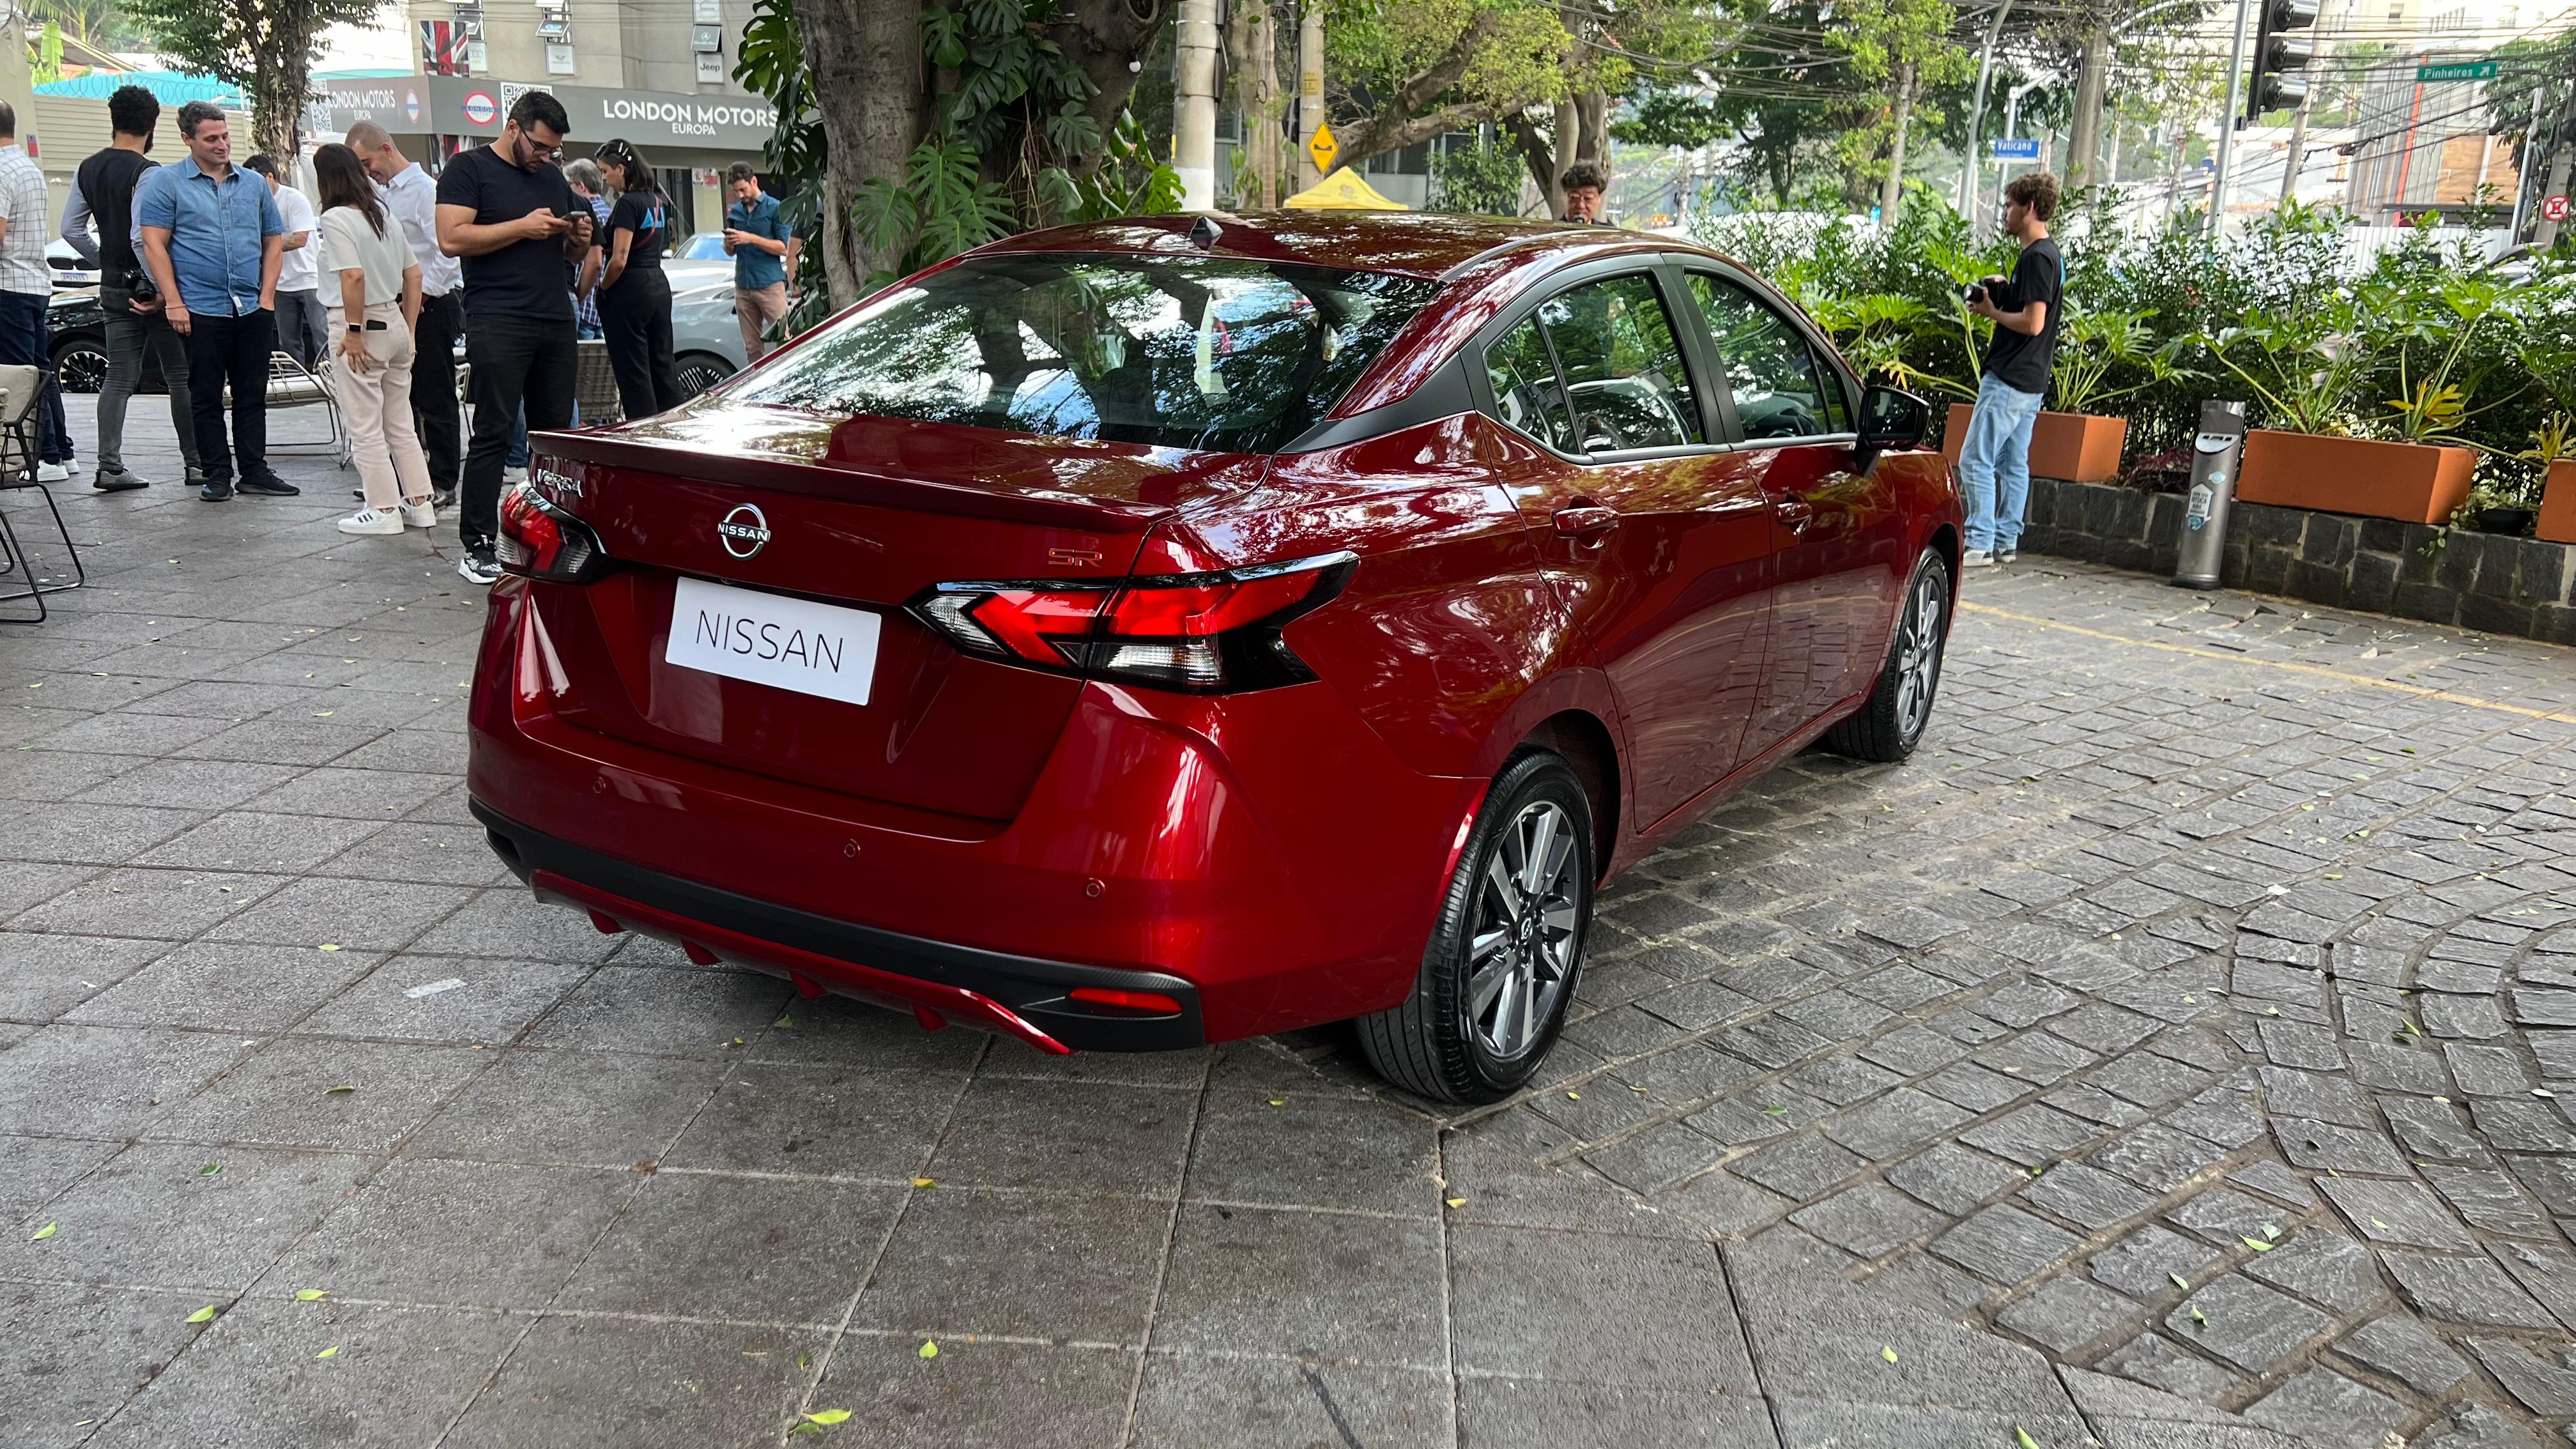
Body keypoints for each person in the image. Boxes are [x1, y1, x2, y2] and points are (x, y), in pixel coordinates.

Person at [436, 89, 591, 585]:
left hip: (554, 314)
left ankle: (553, 530)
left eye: (554, 151)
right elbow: (451, 238)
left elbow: (562, 254)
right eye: (541, 147)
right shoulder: (468, 169)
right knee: (496, 430)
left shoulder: (549, 177)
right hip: (498, 316)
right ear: (513, 127)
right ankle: (477, 542)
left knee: (554, 437)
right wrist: (521, 227)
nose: (547, 158)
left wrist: (575, 242)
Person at [136, 101, 291, 502]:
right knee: (205, 395)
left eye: (225, 136)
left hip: (252, 307)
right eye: (211, 139)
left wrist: (268, 296)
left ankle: (255, 471)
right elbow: (154, 243)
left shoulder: (254, 183)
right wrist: (173, 301)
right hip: (200, 307)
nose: (222, 145)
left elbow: (273, 239)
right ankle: (217, 473)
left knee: (252, 391)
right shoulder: (167, 183)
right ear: (188, 139)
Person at [60, 85, 202, 492]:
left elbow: (71, 229)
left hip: (112, 288)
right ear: (153, 124)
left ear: (112, 120)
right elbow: (145, 238)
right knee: (179, 375)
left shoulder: (88, 167)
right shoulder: (149, 171)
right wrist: (162, 290)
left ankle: (110, 465)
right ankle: (195, 464)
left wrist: (106, 261)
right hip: (151, 291)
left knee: (119, 378)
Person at [314, 144, 433, 537]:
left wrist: (352, 331)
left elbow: (352, 276)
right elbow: (414, 276)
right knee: (399, 422)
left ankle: (382, 507)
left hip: (360, 326)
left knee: (364, 424)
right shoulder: (382, 213)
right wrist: (411, 331)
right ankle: (419, 502)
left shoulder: (335, 218)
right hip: (396, 322)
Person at [347, 121, 462, 510]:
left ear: (385, 148)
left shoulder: (425, 191)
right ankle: (400, 479)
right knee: (397, 398)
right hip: (394, 304)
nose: (367, 171)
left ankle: (444, 479)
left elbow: (446, 253)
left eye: (367, 162)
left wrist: (421, 296)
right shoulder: (380, 195)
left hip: (431, 303)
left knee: (435, 394)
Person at [1958, 170, 2064, 569]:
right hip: (2032, 378)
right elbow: (2037, 309)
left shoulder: (2037, 257)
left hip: (2010, 376)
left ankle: (1979, 540)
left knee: (1975, 458)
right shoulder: (2049, 255)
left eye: (2009, 206)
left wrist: (1991, 311)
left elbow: (2034, 323)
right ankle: (2005, 540)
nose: (2004, 213)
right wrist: (2007, 287)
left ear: (2029, 208)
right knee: (2013, 462)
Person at [0, 102, 74, 483]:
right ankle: (62, 451)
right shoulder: (27, 166)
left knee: (20, 375)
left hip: (7, 284)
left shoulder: (0, 170)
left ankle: (43, 457)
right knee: (41, 370)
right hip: (33, 283)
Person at [593, 138, 683, 422]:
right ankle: (673, 428)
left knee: (634, 370)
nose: (605, 180)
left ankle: (642, 433)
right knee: (663, 364)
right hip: (658, 284)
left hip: (631, 289)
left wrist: (602, 288)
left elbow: (619, 259)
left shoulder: (627, 205)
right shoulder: (655, 201)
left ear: (622, 169)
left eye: (606, 172)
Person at [243, 155, 322, 369]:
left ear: (270, 177)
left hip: (309, 279)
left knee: (322, 336)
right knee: (288, 341)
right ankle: (296, 382)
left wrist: (263, 243)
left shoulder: (294, 199)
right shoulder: (252, 205)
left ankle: (331, 378)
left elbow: (300, 239)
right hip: (279, 283)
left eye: (256, 181)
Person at [723, 162, 794, 362]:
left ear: (754, 181)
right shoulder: (736, 212)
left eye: (743, 189)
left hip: (769, 284)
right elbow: (730, 251)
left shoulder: (775, 208)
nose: (740, 195)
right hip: (743, 286)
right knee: (752, 347)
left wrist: (750, 238)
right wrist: (729, 243)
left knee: (786, 340)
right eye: (736, 191)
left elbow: (784, 248)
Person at [1560, 162, 1609, 226]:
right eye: (1574, 198)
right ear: (1565, 198)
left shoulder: (1609, 234)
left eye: (1588, 198)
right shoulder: (1549, 234)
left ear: (1599, 200)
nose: (1581, 206)